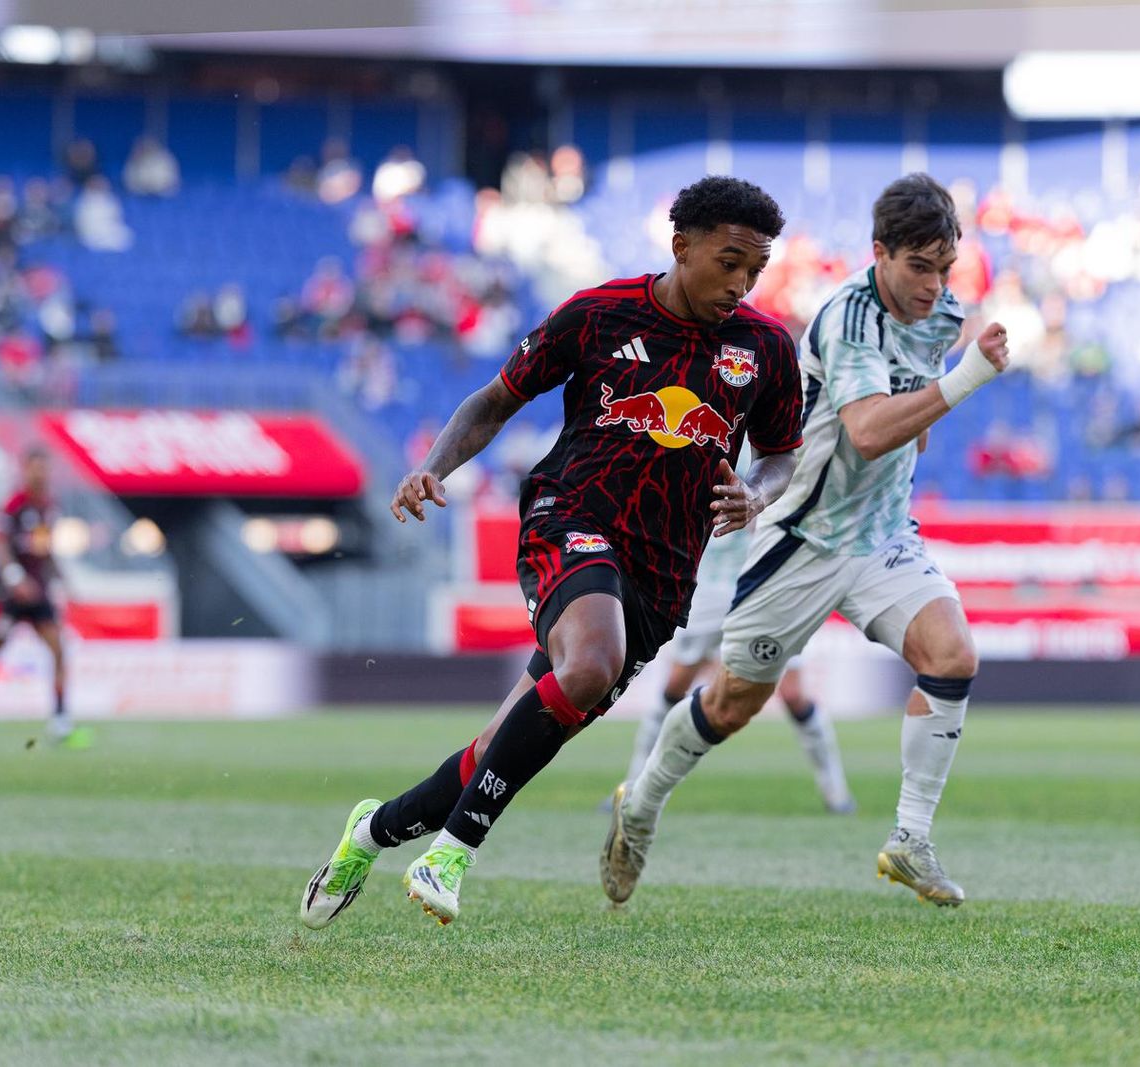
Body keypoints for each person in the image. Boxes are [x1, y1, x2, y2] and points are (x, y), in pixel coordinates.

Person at [300, 176, 806, 930]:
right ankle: (452, 853)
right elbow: (495, 399)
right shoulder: (599, 313)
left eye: (754, 270)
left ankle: (371, 831)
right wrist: (432, 467)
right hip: (567, 518)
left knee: (497, 749)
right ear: (681, 246)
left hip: (665, 576)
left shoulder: (764, 348)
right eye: (728, 262)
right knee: (592, 662)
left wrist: (755, 493)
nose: (740, 283)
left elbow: (781, 454)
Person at [602, 173, 1011, 909]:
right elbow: (865, 427)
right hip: (802, 537)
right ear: (879, 253)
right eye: (918, 267)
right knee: (731, 704)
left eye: (944, 268)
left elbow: (902, 427)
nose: (934, 284)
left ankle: (910, 839)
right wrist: (966, 379)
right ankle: (642, 802)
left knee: (952, 655)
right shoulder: (846, 317)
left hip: (882, 532)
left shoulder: (942, 313)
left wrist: (928, 414)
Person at [612, 520, 854, 814]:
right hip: (712, 586)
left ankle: (837, 795)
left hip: (767, 589)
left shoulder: (783, 474)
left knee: (793, 695)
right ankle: (633, 784)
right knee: (675, 686)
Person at [0, 447, 83, 748]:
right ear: (24, 469)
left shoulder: (49, 507)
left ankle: (60, 719)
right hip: (11, 596)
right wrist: (15, 578)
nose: (40, 473)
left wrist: (63, 579)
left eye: (44, 467)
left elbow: (46, 551)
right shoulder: (14, 504)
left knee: (58, 650)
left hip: (39, 593)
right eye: (35, 467)